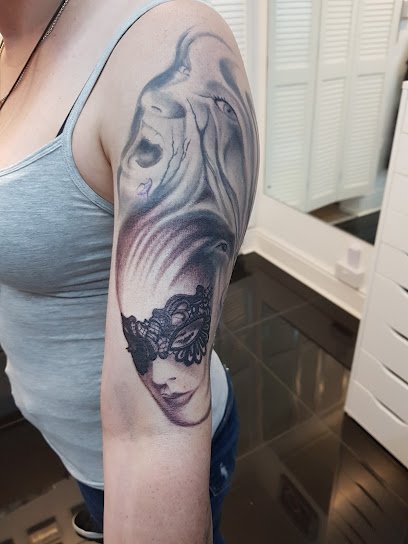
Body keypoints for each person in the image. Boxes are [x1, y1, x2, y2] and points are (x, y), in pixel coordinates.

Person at [0, 0, 259, 542]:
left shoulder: (162, 51)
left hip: (136, 468)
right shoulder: (9, 51)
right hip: (72, 445)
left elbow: (154, 429)